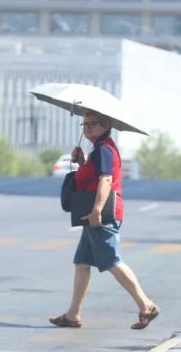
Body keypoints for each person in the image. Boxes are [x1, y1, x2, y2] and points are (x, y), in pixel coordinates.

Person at [49, 110, 159, 330]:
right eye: (84, 124)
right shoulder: (98, 150)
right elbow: (93, 177)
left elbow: (106, 180)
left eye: (93, 123)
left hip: (101, 215)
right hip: (94, 215)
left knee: (112, 261)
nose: (87, 127)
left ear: (106, 125)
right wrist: (82, 162)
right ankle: (73, 315)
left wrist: (97, 211)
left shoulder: (104, 149)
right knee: (82, 264)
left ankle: (146, 305)